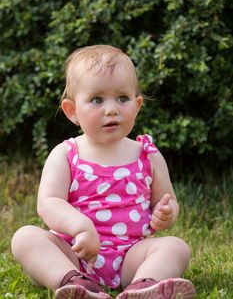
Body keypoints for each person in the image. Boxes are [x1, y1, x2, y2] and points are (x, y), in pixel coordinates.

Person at [11, 45, 195, 299]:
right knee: (25, 238)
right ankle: (73, 283)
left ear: (137, 105)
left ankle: (144, 285)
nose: (111, 109)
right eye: (97, 100)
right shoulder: (66, 154)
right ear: (72, 111)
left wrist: (166, 212)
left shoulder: (148, 155)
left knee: (176, 247)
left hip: (132, 255)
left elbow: (168, 200)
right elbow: (48, 203)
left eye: (122, 98)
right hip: (75, 253)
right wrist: (80, 226)